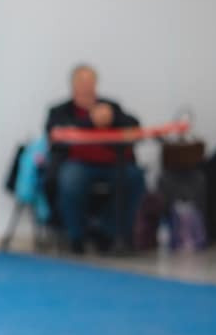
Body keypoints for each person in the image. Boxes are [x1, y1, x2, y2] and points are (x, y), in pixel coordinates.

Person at [45, 64, 145, 254]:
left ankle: (108, 232)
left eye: (90, 82)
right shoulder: (60, 111)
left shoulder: (110, 107)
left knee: (134, 177)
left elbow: (134, 125)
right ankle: (76, 236)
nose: (86, 86)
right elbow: (55, 135)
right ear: (73, 85)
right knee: (71, 178)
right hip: (77, 164)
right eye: (82, 82)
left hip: (112, 163)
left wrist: (112, 118)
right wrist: (91, 121)